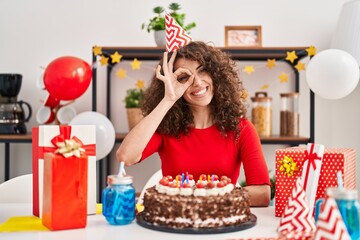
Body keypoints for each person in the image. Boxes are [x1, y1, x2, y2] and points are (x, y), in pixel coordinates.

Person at [116, 41, 271, 206]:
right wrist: (168, 99)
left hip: (223, 228)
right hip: (174, 226)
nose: (197, 82)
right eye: (184, 77)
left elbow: (262, 194)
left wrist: (207, 195)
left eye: (202, 70)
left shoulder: (242, 128)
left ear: (216, 74)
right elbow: (125, 157)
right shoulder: (167, 128)